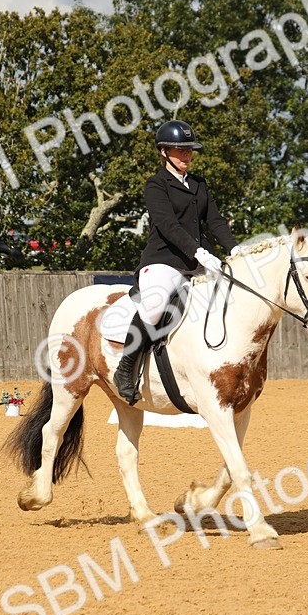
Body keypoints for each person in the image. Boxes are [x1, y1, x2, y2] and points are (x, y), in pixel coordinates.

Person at [113, 119, 237, 404]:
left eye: (189, 150)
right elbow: (168, 225)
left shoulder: (199, 184)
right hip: (164, 260)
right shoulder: (156, 185)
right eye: (180, 150)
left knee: (229, 297)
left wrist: (235, 251)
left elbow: (215, 221)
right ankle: (125, 369)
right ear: (164, 152)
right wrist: (198, 252)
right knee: (154, 307)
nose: (187, 155)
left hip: (198, 260)